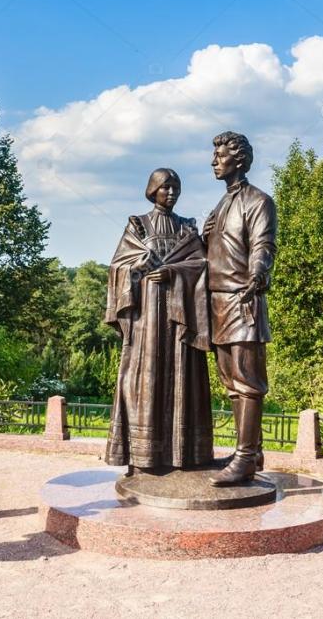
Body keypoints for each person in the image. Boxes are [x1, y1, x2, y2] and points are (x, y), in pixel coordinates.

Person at [105, 168, 214, 471]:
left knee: (183, 376)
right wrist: (139, 265)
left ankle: (185, 453)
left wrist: (172, 272)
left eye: (176, 188)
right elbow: (117, 267)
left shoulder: (186, 228)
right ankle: (144, 456)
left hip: (180, 318)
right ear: (153, 190)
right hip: (146, 319)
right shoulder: (138, 226)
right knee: (144, 377)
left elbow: (201, 264)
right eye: (166, 187)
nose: (171, 193)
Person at [203, 131, 278, 487]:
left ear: (239, 159)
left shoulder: (258, 201)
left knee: (248, 383)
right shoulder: (219, 206)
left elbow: (264, 245)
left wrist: (257, 273)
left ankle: (245, 457)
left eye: (220, 155)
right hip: (218, 302)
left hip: (243, 299)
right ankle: (250, 452)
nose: (214, 161)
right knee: (232, 383)